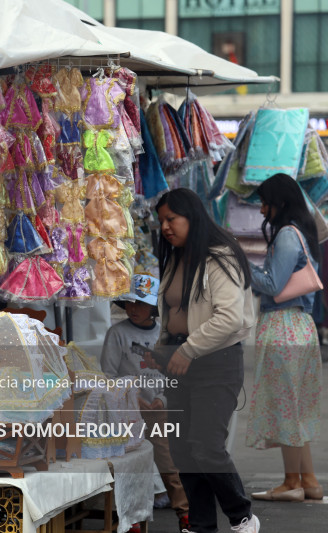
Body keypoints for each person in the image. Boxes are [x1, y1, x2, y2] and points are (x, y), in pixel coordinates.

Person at [151, 188, 260, 533]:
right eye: (161, 221)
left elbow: (229, 317)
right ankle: (199, 524)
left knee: (206, 446)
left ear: (192, 217)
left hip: (215, 361)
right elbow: (174, 312)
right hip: (179, 361)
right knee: (182, 449)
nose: (165, 227)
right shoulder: (177, 257)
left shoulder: (219, 257)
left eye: (172, 219)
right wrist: (164, 347)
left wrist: (188, 349)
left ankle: (242, 515)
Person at [245, 174, 323, 502]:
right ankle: (309, 482)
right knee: (297, 408)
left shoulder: (287, 236)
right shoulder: (302, 234)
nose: (262, 210)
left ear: (281, 202)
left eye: (266, 202)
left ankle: (292, 483)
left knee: (286, 408)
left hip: (283, 328)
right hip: (301, 328)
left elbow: (274, 286)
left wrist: (241, 263)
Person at [100, 274, 190, 532]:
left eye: (140, 304)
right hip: (127, 411)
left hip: (159, 411)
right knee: (130, 467)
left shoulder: (165, 334)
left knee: (168, 465)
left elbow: (173, 374)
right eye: (129, 303)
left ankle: (185, 515)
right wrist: (132, 398)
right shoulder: (116, 334)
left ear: (154, 308)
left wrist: (162, 399)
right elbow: (108, 375)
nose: (133, 308)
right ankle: (131, 520)